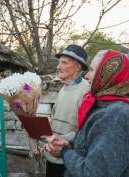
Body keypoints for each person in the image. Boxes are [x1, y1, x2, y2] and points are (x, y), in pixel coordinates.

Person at [43, 50, 129, 177]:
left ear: (108, 74)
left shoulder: (118, 116)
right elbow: (92, 138)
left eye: (91, 70)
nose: (87, 76)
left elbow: (94, 172)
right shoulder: (105, 106)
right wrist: (68, 141)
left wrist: (64, 152)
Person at [44, 44, 89, 177]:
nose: (58, 67)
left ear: (77, 67)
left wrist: (63, 142)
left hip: (69, 160)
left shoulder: (86, 91)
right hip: (51, 155)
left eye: (64, 63)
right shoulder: (63, 89)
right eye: (59, 63)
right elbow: (55, 120)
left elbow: (88, 131)